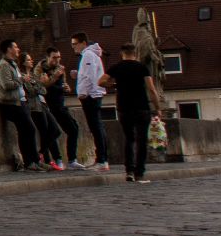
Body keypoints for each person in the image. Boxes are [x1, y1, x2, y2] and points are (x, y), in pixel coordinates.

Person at [100, 43, 159, 184]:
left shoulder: (117, 67)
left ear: (122, 53)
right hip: (142, 108)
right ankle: (139, 172)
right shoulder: (141, 67)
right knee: (141, 140)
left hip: (124, 108)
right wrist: (157, 107)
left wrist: (114, 85)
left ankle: (129, 171)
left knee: (129, 139)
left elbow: (101, 81)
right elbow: (151, 89)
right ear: (135, 53)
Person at [0, 41, 43, 173]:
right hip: (10, 104)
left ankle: (34, 161)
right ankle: (31, 161)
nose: (18, 49)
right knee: (29, 129)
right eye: (15, 47)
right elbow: (6, 85)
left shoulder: (13, 64)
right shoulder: (3, 65)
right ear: (9, 49)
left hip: (20, 102)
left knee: (27, 130)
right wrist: (22, 80)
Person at [71, 32, 112, 171]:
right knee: (97, 127)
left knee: (96, 127)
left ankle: (102, 159)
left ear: (83, 43)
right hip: (94, 94)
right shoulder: (91, 55)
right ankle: (102, 159)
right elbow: (88, 73)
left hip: (91, 96)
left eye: (75, 44)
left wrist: (83, 93)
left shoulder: (88, 55)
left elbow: (89, 76)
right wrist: (78, 74)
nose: (73, 47)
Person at [41, 47, 83, 168]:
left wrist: (66, 88)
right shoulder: (43, 69)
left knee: (73, 129)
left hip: (60, 105)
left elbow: (61, 85)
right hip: (49, 106)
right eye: (54, 57)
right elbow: (45, 87)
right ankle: (58, 159)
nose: (57, 60)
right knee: (54, 131)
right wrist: (61, 88)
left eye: (59, 57)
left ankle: (71, 159)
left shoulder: (60, 69)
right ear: (48, 57)